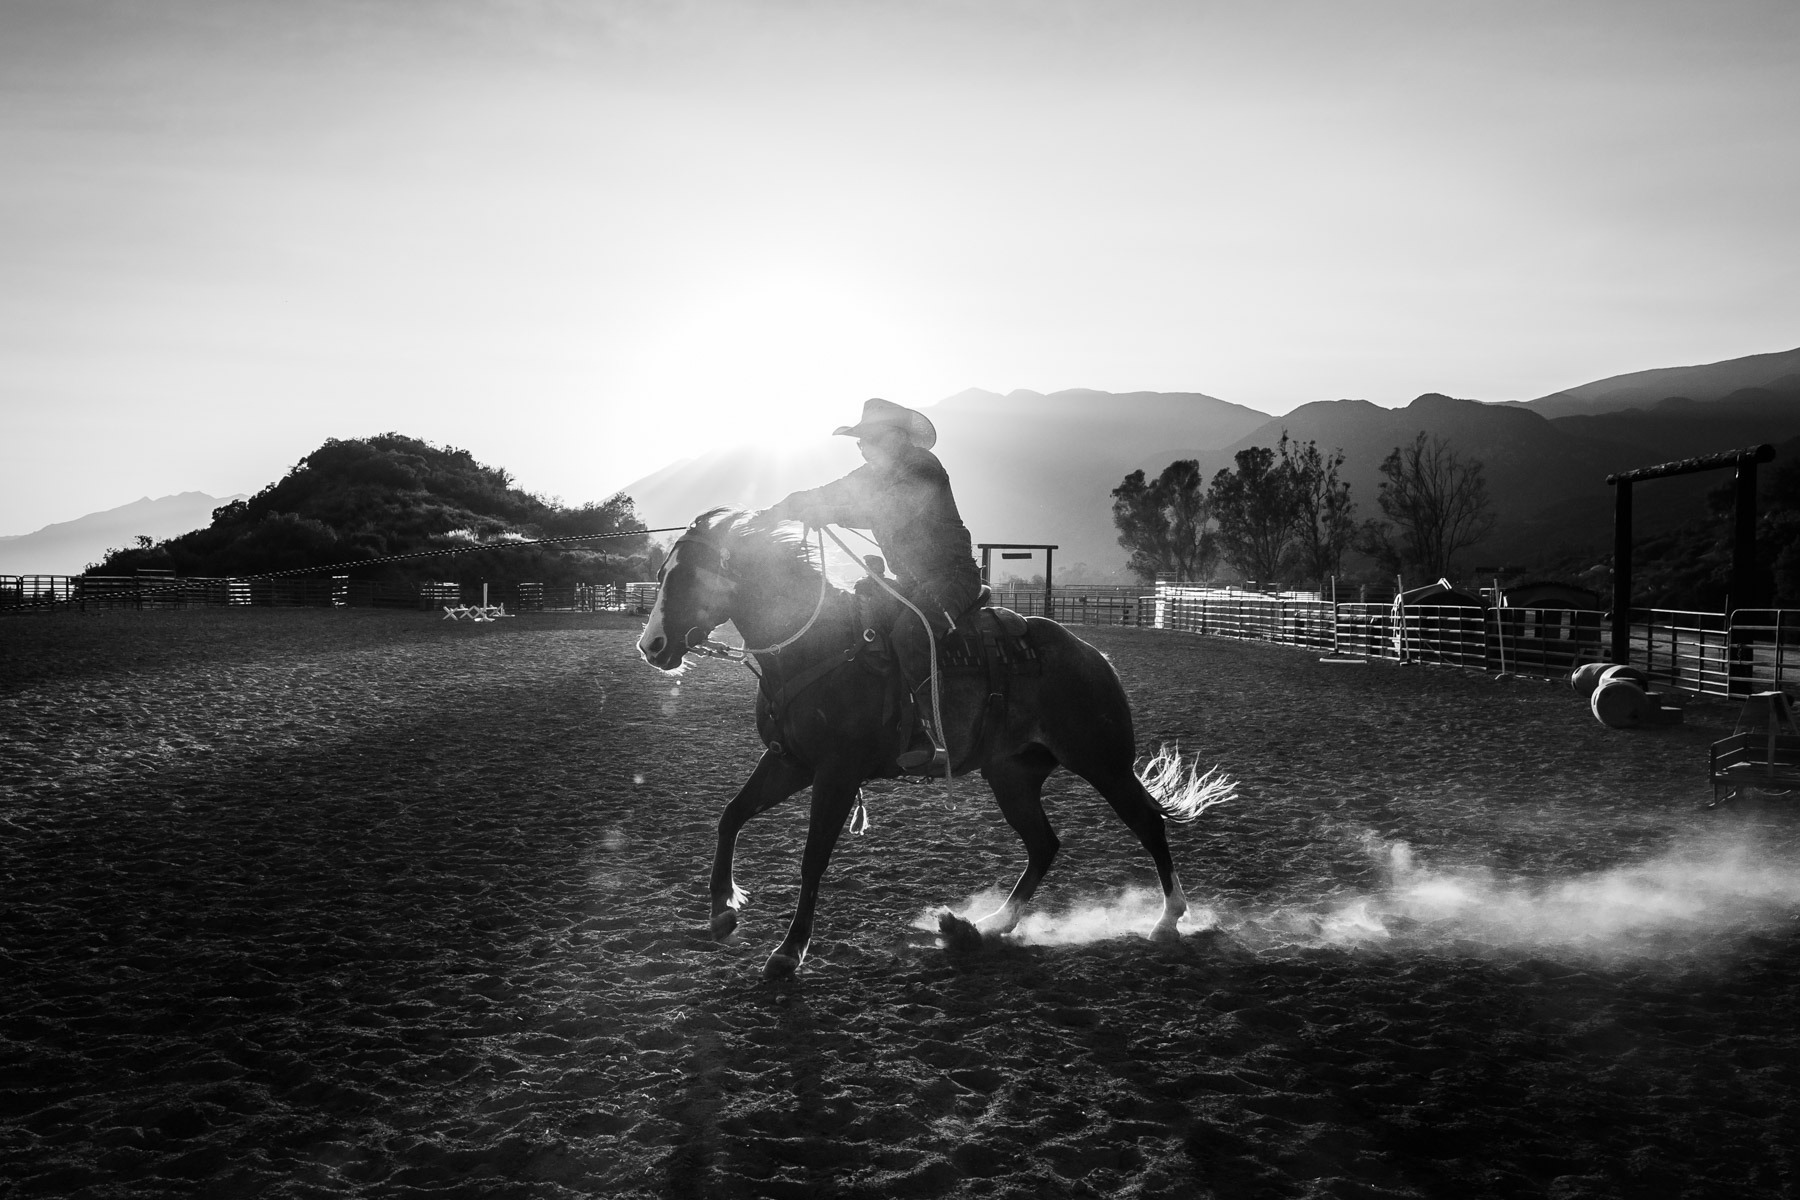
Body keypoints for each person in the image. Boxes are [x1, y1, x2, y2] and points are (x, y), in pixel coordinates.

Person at [759, 398, 983, 770]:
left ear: (894, 438)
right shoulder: (872, 473)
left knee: (912, 634)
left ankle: (936, 735)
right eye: (859, 442)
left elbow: (890, 510)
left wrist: (826, 513)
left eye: (867, 440)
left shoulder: (923, 468)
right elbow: (828, 492)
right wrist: (779, 510)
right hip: (912, 581)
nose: (861, 448)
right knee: (861, 627)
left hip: (951, 576)